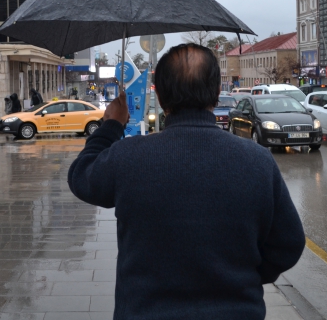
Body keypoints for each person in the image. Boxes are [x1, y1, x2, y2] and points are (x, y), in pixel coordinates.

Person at [68, 43, 305, 320]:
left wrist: (111, 125)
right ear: (217, 92)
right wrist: (244, 276)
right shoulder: (257, 161)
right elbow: (289, 243)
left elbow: (81, 176)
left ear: (161, 94)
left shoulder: (129, 158)